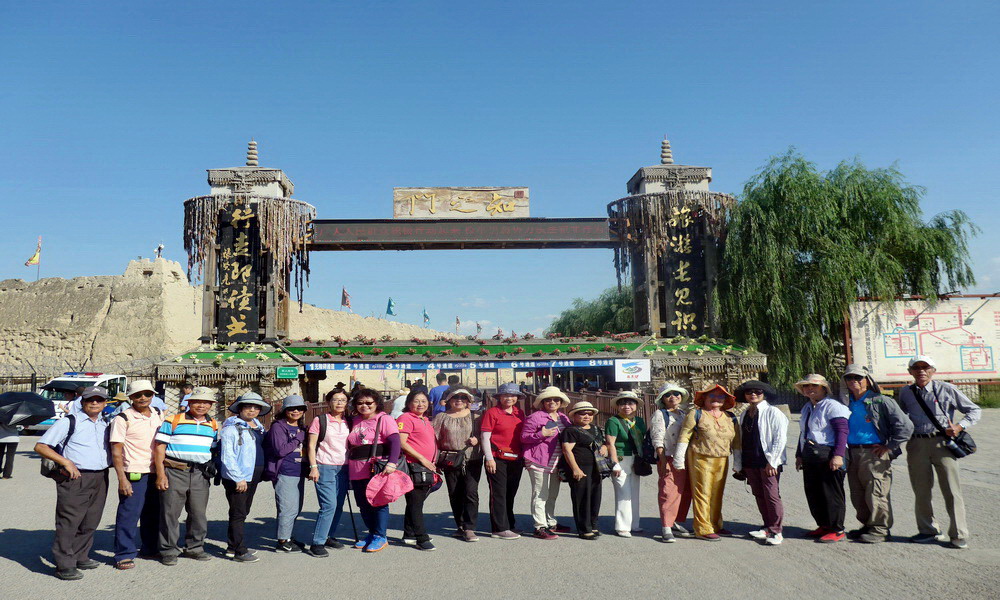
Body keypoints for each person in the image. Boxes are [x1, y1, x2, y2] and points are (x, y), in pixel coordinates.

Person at [897, 355, 981, 549]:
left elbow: (974, 410)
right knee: (921, 490)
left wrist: (959, 426)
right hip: (917, 443)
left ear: (933, 370)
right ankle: (928, 530)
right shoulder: (905, 392)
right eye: (916, 368)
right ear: (910, 372)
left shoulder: (946, 389)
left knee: (951, 489)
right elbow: (901, 416)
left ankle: (959, 534)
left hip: (942, 443)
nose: (921, 371)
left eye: (925, 367)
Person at [34, 386, 111, 580]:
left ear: (105, 403)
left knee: (91, 520)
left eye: (99, 399)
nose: (94, 403)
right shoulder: (69, 421)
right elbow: (41, 446)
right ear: (82, 402)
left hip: (100, 476)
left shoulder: (105, 423)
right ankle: (64, 564)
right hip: (75, 477)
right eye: (90, 399)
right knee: (69, 521)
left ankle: (80, 556)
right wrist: (66, 462)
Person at [841, 364, 913, 544]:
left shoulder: (881, 401)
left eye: (858, 377)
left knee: (876, 491)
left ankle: (880, 529)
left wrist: (889, 446)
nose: (853, 381)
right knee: (857, 493)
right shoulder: (846, 402)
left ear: (867, 380)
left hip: (874, 453)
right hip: (852, 453)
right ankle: (867, 525)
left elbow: (905, 426)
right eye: (849, 378)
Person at [154, 386, 220, 566]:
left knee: (198, 513)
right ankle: (168, 550)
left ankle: (195, 548)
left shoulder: (213, 425)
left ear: (211, 405)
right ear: (189, 402)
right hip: (175, 471)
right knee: (170, 513)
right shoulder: (173, 420)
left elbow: (212, 450)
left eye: (206, 402)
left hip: (200, 474)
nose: (201, 405)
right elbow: (159, 448)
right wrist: (160, 474)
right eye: (197, 402)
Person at [109, 380, 164, 570]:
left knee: (153, 513)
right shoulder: (123, 418)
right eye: (138, 395)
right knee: (129, 515)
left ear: (152, 395)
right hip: (134, 472)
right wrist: (121, 479)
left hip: (156, 470)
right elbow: (116, 451)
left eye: (147, 394)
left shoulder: (158, 413)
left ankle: (150, 548)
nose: (143, 398)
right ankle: (124, 553)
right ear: (131, 397)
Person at [673, 384, 740, 541]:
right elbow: (685, 435)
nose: (716, 399)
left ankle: (715, 524)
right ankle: (702, 528)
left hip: (722, 459)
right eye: (712, 396)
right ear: (704, 398)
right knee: (702, 493)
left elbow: (737, 441)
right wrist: (679, 458)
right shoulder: (696, 414)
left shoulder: (730, 417)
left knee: (717, 493)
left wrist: (738, 461)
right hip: (700, 457)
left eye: (720, 396)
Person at [794, 374, 850, 543]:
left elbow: (842, 431)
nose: (809, 389)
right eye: (806, 386)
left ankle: (837, 529)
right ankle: (824, 525)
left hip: (829, 452)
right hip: (811, 453)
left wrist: (838, 455)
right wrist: (799, 454)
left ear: (824, 389)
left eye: (814, 386)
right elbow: (804, 432)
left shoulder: (833, 406)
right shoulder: (807, 408)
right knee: (814, 492)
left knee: (831, 493)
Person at [733, 380, 789, 546]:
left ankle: (776, 530)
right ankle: (766, 526)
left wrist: (773, 461)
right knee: (759, 494)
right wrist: (739, 464)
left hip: (767, 461)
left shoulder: (773, 412)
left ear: (764, 394)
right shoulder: (745, 414)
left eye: (757, 391)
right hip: (750, 460)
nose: (753, 394)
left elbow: (780, 438)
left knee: (771, 495)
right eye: (749, 392)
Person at [346, 388, 400, 552]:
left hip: (375, 468)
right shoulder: (354, 420)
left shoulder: (384, 419)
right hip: (356, 468)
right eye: (360, 403)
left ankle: (380, 535)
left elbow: (395, 442)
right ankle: (371, 533)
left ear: (376, 403)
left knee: (378, 502)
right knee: (363, 504)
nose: (365, 406)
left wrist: (392, 463)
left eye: (369, 403)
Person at [219, 393, 269, 562]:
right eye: (248, 406)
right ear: (240, 409)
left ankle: (232, 547)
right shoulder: (231, 429)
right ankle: (239, 550)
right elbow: (228, 456)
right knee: (238, 512)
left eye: (256, 407)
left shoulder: (258, 426)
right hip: (239, 476)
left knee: (243, 510)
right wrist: (237, 478)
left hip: (253, 474)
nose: (252, 410)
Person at [431, 387, 483, 542]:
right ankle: (460, 525)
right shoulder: (441, 417)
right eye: (456, 397)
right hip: (450, 459)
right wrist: (433, 460)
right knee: (455, 493)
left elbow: (486, 435)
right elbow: (433, 438)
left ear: (468, 401)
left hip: (472, 459)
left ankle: (469, 527)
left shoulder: (476, 416)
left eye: (463, 397)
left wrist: (478, 440)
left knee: (471, 492)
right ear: (449, 400)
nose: (459, 400)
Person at [520, 386, 572, 540]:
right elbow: (524, 437)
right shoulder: (535, 417)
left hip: (557, 460)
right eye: (548, 399)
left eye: (556, 399)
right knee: (540, 493)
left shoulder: (563, 418)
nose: (552, 402)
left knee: (553, 494)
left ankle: (551, 522)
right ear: (542, 402)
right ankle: (539, 526)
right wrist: (541, 434)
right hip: (538, 459)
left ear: (561, 402)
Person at [306, 389, 351, 557]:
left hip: (344, 467)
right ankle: (317, 542)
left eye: (343, 400)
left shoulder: (349, 421)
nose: (339, 403)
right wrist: (313, 467)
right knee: (328, 505)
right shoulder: (320, 420)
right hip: (324, 466)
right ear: (328, 402)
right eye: (335, 400)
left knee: (338, 505)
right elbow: (311, 445)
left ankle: (328, 536)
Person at [648, 383, 693, 542]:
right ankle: (666, 526)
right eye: (668, 395)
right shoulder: (660, 414)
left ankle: (675, 522)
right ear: (662, 399)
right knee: (668, 491)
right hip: (669, 456)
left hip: (686, 458)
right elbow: (657, 439)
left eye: (676, 393)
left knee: (685, 492)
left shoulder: (683, 414)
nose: (672, 397)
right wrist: (662, 460)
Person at [264, 395, 309, 553]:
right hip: (285, 472)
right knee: (288, 508)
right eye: (291, 408)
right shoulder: (278, 427)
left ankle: (288, 536)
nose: (296, 411)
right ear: (284, 410)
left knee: (296, 508)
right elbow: (280, 450)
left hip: (299, 472)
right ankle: (283, 541)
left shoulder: (302, 428)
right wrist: (298, 439)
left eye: (299, 408)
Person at [481, 382, 526, 539]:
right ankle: (499, 528)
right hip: (497, 458)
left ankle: (510, 524)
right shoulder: (492, 413)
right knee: (498, 494)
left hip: (516, 458)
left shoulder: (519, 413)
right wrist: (489, 458)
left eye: (513, 395)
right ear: (499, 397)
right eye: (506, 395)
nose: (509, 398)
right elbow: (485, 437)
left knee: (510, 493)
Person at [397, 389, 439, 550]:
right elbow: (402, 442)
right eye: (416, 401)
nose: (420, 404)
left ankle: (409, 534)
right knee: (416, 503)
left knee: (416, 501)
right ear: (409, 403)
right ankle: (421, 537)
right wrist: (422, 458)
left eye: (423, 401)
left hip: (426, 467)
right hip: (414, 466)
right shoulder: (406, 418)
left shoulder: (425, 419)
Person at [560, 400, 608, 539]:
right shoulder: (570, 431)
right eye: (582, 413)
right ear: (574, 416)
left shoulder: (596, 428)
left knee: (595, 497)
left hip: (596, 467)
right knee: (581, 499)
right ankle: (584, 529)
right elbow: (566, 450)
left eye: (590, 413)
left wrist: (604, 447)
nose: (586, 416)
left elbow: (602, 442)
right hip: (580, 468)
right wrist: (575, 469)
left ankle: (593, 525)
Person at [605, 390, 648, 537]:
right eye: (623, 403)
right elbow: (610, 443)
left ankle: (634, 524)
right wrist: (614, 463)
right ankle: (622, 526)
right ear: (618, 406)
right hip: (621, 458)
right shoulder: (614, 421)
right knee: (623, 493)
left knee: (634, 493)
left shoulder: (639, 421)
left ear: (636, 405)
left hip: (636, 459)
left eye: (630, 403)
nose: (627, 406)